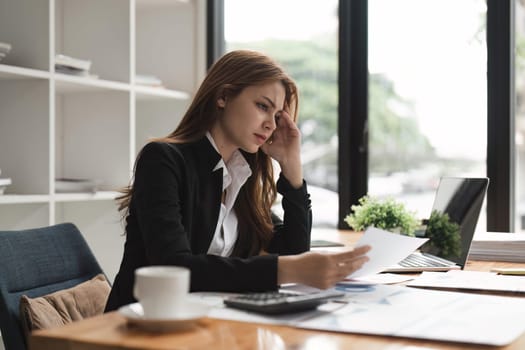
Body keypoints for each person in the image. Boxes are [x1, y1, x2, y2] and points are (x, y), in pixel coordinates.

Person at [105, 50, 370, 312]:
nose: (271, 125)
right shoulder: (163, 160)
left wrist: (292, 167)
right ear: (223, 97)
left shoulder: (239, 174)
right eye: (263, 106)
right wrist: (286, 269)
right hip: (142, 325)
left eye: (277, 116)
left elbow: (293, 250)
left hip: (207, 322)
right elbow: (175, 267)